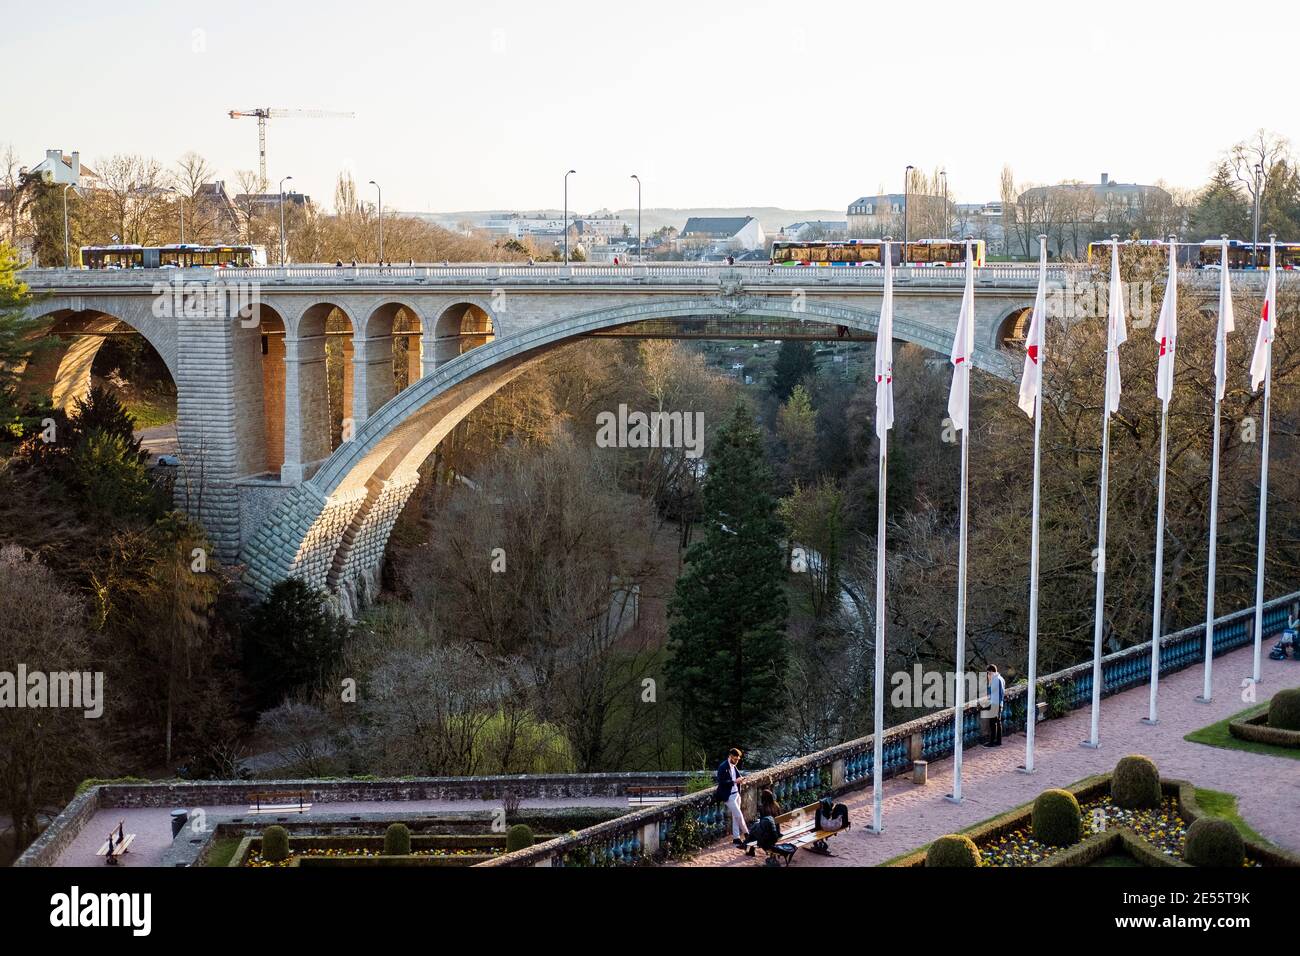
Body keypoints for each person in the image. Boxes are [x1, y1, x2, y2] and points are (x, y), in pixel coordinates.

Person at [713, 748, 749, 845]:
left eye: (738, 759)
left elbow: (737, 776)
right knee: (739, 815)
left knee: (736, 816)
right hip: (728, 795)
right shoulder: (722, 767)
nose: (737, 761)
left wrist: (741, 779)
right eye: (736, 759)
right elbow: (721, 782)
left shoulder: (733, 766)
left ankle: (736, 838)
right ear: (731, 756)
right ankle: (747, 834)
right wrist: (734, 781)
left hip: (736, 794)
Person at [985, 664, 1006, 746]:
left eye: (988, 673)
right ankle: (998, 741)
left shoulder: (996, 680)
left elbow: (999, 693)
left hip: (995, 704)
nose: (987, 675)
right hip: (998, 703)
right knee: (997, 723)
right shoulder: (1000, 678)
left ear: (991, 672)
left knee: (993, 723)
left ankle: (992, 742)